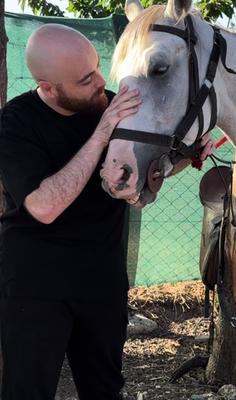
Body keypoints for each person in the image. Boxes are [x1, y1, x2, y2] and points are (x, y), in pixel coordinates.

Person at [0, 23, 142, 400]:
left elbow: (139, 173)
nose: (99, 82)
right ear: (48, 87)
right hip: (36, 285)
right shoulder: (15, 123)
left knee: (105, 389)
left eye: (97, 68)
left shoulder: (110, 104)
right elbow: (44, 207)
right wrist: (101, 133)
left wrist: (186, 157)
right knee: (27, 391)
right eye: (85, 80)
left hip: (102, 280)